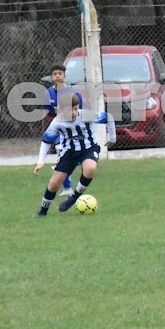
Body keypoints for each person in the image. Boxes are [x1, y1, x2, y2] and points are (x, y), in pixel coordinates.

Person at [34, 91, 115, 215]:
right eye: (69, 110)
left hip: (89, 148)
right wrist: (40, 162)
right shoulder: (57, 122)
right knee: (54, 183)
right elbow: (46, 141)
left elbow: (108, 117)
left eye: (75, 109)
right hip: (69, 152)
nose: (73, 113)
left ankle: (74, 197)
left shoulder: (87, 115)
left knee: (90, 168)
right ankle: (42, 212)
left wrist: (112, 138)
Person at [43, 64, 83, 196]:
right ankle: (67, 188)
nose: (57, 76)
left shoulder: (74, 93)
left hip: (74, 129)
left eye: (60, 73)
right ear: (51, 77)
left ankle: (71, 180)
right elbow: (48, 112)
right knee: (61, 152)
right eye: (55, 74)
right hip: (60, 128)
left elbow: (81, 111)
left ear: (65, 76)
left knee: (71, 153)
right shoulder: (48, 94)